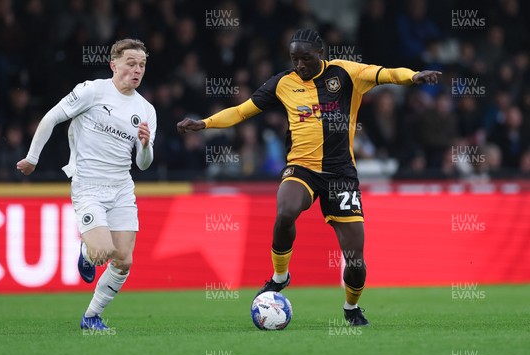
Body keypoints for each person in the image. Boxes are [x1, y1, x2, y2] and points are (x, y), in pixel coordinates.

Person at [177, 29, 440, 326]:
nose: (299, 65)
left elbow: (387, 74)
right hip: (301, 168)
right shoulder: (282, 83)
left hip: (341, 174)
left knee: (355, 261)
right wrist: (204, 123)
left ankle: (351, 308)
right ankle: (280, 276)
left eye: (305, 58)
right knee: (285, 211)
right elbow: (242, 111)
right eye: (294, 59)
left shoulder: (346, 73)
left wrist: (414, 76)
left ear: (320, 54)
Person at [17, 38, 156, 330]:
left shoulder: (146, 110)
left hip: (121, 189)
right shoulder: (92, 90)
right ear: (113, 64)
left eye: (142, 65)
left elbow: (143, 163)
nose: (137, 70)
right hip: (89, 185)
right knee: (102, 251)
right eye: (131, 63)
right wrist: (32, 157)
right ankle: (86, 252)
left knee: (124, 261)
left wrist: (144, 145)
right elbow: (51, 117)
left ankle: (91, 316)